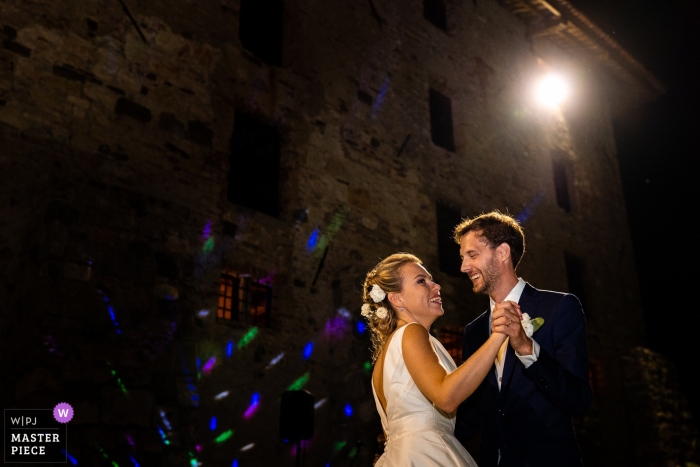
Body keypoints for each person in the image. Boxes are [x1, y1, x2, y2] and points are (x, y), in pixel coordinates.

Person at [453, 212, 592, 467]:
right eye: (463, 258)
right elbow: (471, 414)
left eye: (472, 255)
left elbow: (579, 400)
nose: (463, 267)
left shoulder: (559, 307)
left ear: (503, 252)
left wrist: (528, 349)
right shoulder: (473, 331)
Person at [362, 253, 518, 466]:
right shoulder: (411, 332)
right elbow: (446, 396)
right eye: (421, 281)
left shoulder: (390, 349)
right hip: (427, 454)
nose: (436, 286)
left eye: (431, 279)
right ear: (396, 298)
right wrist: (499, 335)